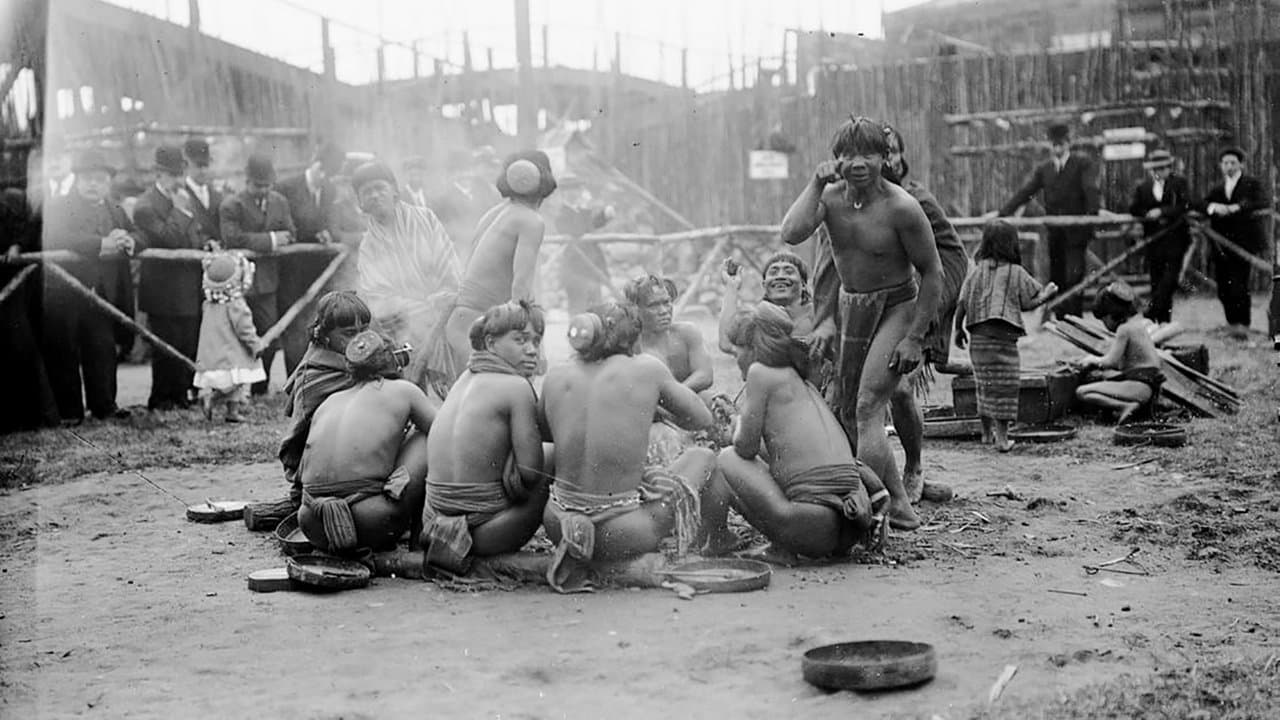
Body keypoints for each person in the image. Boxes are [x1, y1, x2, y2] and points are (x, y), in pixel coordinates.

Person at [781, 116, 942, 531]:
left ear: (885, 157)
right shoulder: (830, 198)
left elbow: (932, 272)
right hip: (852, 306)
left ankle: (868, 506)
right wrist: (815, 183)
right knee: (848, 412)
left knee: (868, 407)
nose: (858, 163)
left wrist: (914, 338)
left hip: (896, 307)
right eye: (848, 154)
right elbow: (791, 232)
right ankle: (901, 507)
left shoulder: (902, 207)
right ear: (835, 160)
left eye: (868, 153)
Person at [539, 302, 722, 592]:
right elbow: (701, 418)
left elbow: (547, 432)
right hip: (621, 533)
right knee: (704, 457)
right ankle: (718, 541)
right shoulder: (648, 368)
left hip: (558, 525)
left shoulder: (557, 374)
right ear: (634, 338)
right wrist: (653, 407)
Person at [710, 303, 888, 559]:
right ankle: (778, 546)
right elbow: (778, 455)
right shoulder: (801, 381)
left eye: (736, 350)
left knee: (726, 458)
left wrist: (733, 428)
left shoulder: (760, 372)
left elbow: (744, 449)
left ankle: (767, 547)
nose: (735, 357)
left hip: (809, 530)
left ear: (751, 348)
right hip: (847, 530)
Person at [420, 301, 550, 574]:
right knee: (551, 455)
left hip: (432, 526)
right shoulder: (516, 386)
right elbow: (529, 473)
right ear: (491, 344)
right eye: (520, 339)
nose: (531, 350)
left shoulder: (463, 380)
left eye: (536, 341)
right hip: (481, 534)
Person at [298, 330, 433, 553]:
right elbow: (443, 433)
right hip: (371, 520)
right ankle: (419, 547)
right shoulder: (403, 390)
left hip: (312, 523)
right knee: (426, 437)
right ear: (393, 360)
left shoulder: (331, 401)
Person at [41, 149, 142, 424]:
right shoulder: (60, 206)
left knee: (102, 348)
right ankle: (70, 411)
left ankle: (105, 406)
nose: (93, 184)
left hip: (103, 295)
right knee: (65, 351)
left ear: (108, 183)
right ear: (77, 179)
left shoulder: (116, 209)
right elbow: (55, 236)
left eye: (99, 179)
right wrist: (101, 244)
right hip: (67, 293)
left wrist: (129, 239)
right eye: (87, 178)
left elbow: (138, 233)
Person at [352, 161, 461, 397]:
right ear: (360, 203)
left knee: (457, 391)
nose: (374, 195)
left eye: (379, 187)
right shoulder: (368, 247)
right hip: (405, 329)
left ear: (395, 191)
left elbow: (448, 264)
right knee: (413, 392)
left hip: (445, 314)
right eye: (366, 192)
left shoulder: (425, 219)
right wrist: (422, 309)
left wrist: (444, 296)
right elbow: (379, 297)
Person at [444, 151, 556, 374]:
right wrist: (534, 347)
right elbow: (521, 291)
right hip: (481, 328)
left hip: (462, 323)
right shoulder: (531, 221)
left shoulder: (494, 213)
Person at [953, 220, 1059, 452]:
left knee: (984, 385)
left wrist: (958, 329)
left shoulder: (976, 271)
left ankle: (985, 434)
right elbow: (1028, 304)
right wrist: (1047, 295)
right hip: (1004, 341)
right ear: (1012, 244)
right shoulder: (1016, 272)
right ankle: (1002, 439)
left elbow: (962, 302)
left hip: (978, 340)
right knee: (1006, 387)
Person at [997, 122, 1101, 319]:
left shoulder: (1082, 164)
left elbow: (1091, 190)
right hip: (1056, 231)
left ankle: (1074, 317)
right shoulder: (1045, 169)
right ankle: (1061, 318)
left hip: (1077, 230)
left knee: (1075, 275)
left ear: (1068, 143)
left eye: (1061, 144)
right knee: (1058, 275)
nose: (1058, 148)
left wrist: (1091, 217)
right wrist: (1004, 213)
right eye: (1054, 145)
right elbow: (1026, 192)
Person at [278, 291, 370, 508]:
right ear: (325, 335)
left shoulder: (358, 362)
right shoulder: (315, 375)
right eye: (348, 333)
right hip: (321, 472)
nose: (359, 340)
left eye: (364, 331)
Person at [133, 144, 206, 411]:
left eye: (180, 174)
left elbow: (195, 236)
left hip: (187, 286)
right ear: (158, 174)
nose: (178, 181)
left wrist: (205, 244)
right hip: (163, 290)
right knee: (166, 346)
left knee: (187, 341)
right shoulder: (145, 205)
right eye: (172, 175)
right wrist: (181, 211)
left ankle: (180, 396)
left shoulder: (184, 198)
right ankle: (161, 399)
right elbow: (170, 239)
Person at [219, 153, 296, 395]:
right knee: (237, 337)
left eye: (267, 185)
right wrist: (272, 239)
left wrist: (280, 238)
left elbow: (291, 232)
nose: (263, 190)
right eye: (257, 185)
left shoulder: (280, 201)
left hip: (268, 283)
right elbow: (232, 238)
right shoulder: (231, 205)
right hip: (238, 283)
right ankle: (235, 390)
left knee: (269, 336)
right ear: (246, 181)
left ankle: (260, 387)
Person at [275, 142, 346, 377]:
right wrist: (311, 234)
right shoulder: (286, 187)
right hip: (291, 269)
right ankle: (293, 376)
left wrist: (329, 233)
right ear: (315, 163)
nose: (324, 178)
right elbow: (284, 225)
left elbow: (333, 223)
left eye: (329, 175)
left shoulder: (330, 190)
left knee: (316, 322)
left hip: (319, 271)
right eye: (322, 171)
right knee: (293, 323)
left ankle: (313, 373)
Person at [1199, 146, 1272, 339]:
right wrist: (1214, 207)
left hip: (1243, 244)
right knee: (1223, 288)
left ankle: (1243, 326)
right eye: (1225, 163)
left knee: (1239, 286)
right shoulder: (1217, 188)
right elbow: (1201, 204)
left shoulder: (1250, 184)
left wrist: (1236, 207)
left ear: (1241, 164)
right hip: (1220, 245)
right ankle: (1232, 325)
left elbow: (1262, 202)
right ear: (1220, 166)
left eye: (1233, 162)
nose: (1229, 166)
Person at [1072, 283, 1165, 423]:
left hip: (1139, 386)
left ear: (1111, 314)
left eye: (1104, 319)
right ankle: (1132, 405)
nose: (1105, 325)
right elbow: (1126, 364)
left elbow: (1111, 362)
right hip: (1148, 387)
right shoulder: (1138, 325)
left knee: (1082, 392)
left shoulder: (1124, 329)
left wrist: (1092, 359)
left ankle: (1124, 406)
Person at [193, 252, 264, 423]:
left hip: (211, 354)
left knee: (233, 381)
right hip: (231, 353)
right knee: (236, 381)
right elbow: (244, 329)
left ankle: (233, 412)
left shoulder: (209, 304)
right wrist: (255, 344)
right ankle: (213, 398)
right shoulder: (236, 305)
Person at [1126, 149, 1193, 325]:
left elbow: (1185, 205)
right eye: (1156, 169)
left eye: (1163, 168)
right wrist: (1147, 213)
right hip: (1154, 240)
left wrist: (1162, 211)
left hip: (1176, 238)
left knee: (1170, 279)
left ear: (1169, 168)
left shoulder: (1179, 183)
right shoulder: (1144, 187)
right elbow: (1134, 208)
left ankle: (1151, 311)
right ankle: (1161, 322)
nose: (1159, 172)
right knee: (1156, 279)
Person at [625, 274, 713, 393]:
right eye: (653, 305)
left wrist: (675, 396)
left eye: (666, 302)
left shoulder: (687, 333)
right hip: (653, 408)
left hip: (689, 406)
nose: (663, 311)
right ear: (636, 309)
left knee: (706, 397)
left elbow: (705, 375)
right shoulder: (631, 346)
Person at [718, 251, 815, 355]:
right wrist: (731, 286)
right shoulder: (758, 318)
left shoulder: (819, 315)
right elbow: (727, 344)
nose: (780, 276)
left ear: (804, 284)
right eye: (773, 273)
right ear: (764, 285)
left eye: (789, 272)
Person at [181, 138, 223, 246]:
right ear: (186, 165)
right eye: (199, 166)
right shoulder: (180, 195)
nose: (203, 171)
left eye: (206, 165)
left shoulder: (217, 195)